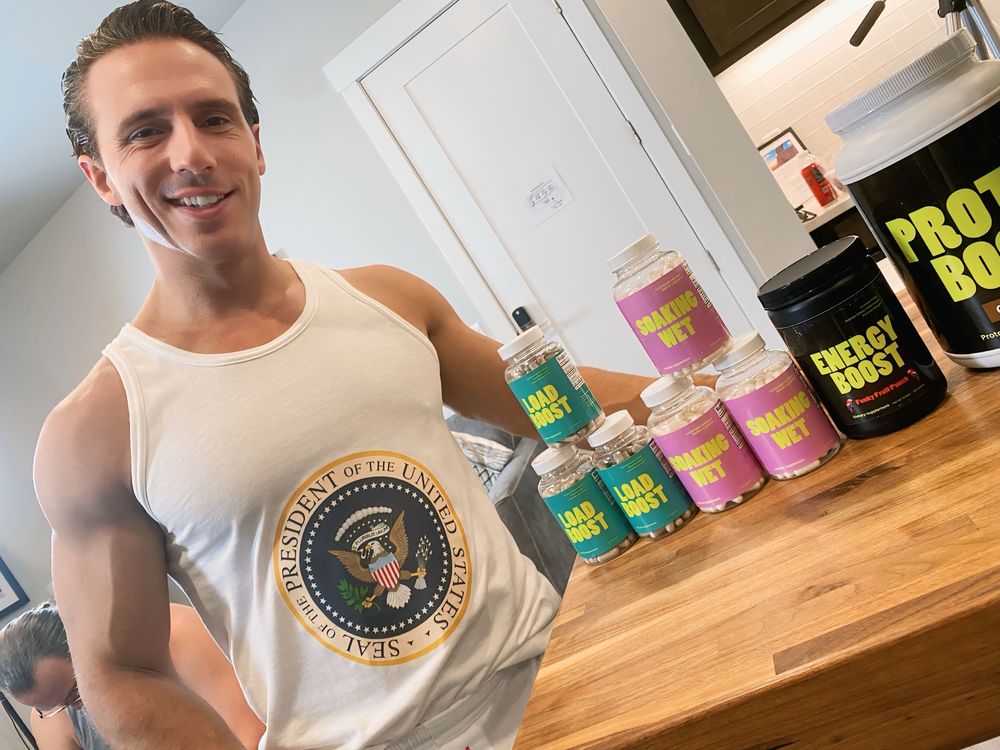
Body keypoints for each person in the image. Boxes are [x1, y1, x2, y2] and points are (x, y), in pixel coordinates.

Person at [34, 2, 669, 748]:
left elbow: (575, 414)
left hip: (569, 686)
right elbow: (123, 674)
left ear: (255, 143)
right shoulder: (95, 432)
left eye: (214, 118)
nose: (191, 153)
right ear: (101, 177)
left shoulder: (390, 300)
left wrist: (731, 384)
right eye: (146, 132)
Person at [0, 601, 265, 749]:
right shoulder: (50, 712)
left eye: (75, 692)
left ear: (85, 642)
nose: (76, 707)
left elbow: (252, 738)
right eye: (53, 706)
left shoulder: (172, 634)